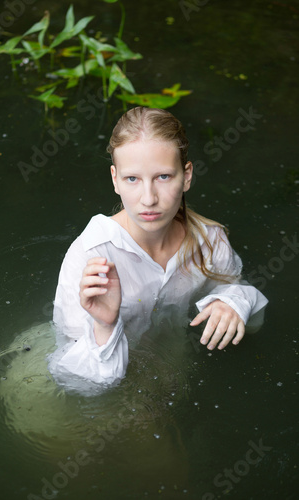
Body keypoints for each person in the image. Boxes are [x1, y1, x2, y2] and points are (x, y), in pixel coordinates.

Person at [47, 107, 268, 393]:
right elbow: (76, 384)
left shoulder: (209, 241)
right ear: (115, 179)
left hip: (173, 373)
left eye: (163, 176)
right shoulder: (91, 255)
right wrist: (104, 325)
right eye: (132, 179)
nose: (148, 199)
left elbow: (251, 319)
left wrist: (233, 303)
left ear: (186, 176)